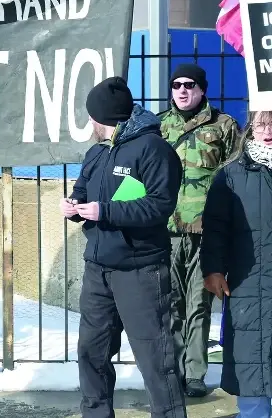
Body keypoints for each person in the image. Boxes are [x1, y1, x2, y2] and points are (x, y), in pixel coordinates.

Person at [59, 77, 187, 418]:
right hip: (98, 268)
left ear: (104, 118)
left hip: (140, 270)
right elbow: (83, 192)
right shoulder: (96, 152)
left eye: (92, 118)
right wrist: (73, 206)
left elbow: (160, 205)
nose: (90, 125)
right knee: (91, 352)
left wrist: (106, 210)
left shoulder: (153, 149)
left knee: (155, 359)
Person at [158, 63, 239, 397]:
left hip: (206, 231)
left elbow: (236, 176)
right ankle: (173, 371)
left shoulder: (223, 126)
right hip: (167, 230)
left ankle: (194, 374)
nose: (182, 90)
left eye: (189, 85)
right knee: (170, 304)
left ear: (202, 89)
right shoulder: (159, 125)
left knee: (199, 305)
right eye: (176, 85)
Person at [201, 110, 272, 418]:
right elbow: (216, 227)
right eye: (262, 123)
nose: (268, 131)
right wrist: (213, 269)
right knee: (252, 369)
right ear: (251, 127)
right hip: (248, 284)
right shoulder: (231, 174)